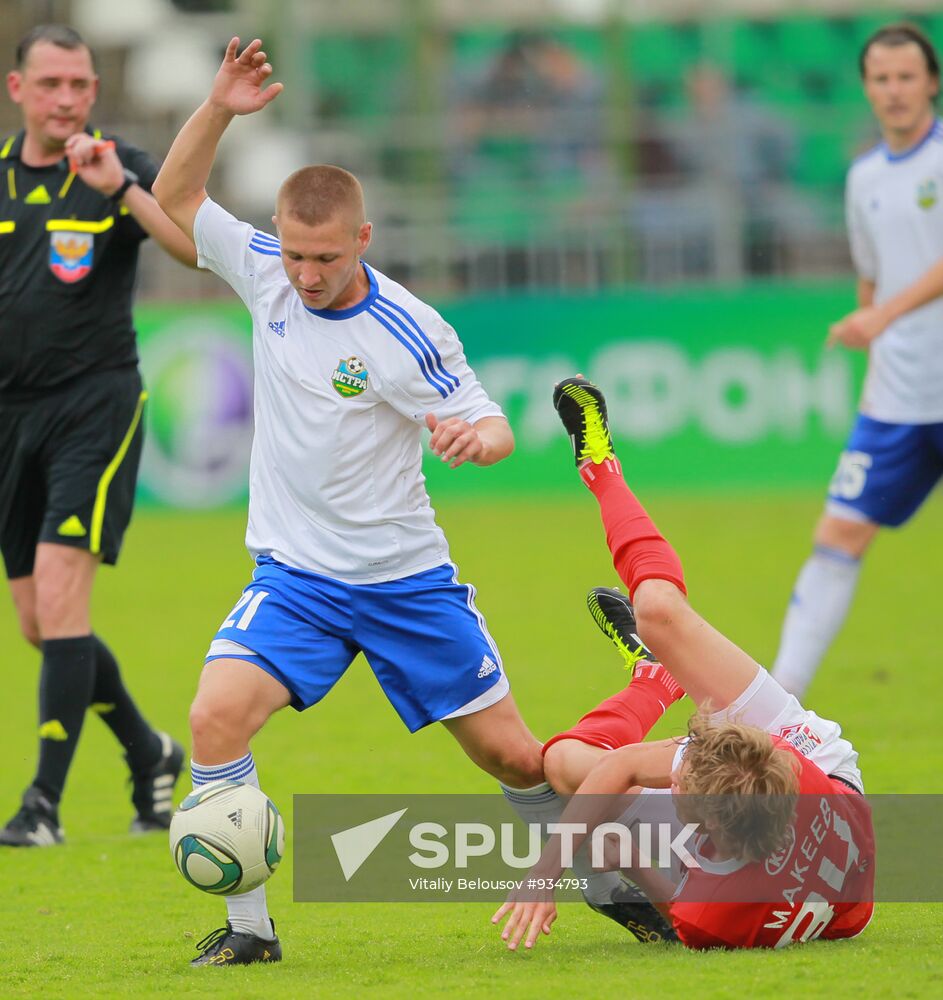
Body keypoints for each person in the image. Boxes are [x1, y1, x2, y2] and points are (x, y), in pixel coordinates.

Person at [151, 37, 546, 966]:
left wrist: (470, 441)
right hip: (296, 579)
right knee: (213, 717)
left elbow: (492, 425)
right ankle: (251, 933)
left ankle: (617, 885)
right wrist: (216, 108)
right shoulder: (261, 272)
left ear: (362, 240)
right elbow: (175, 201)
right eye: (293, 254)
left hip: (404, 579)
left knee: (514, 760)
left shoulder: (406, 329)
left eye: (324, 257)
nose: (305, 274)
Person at [492, 376, 874, 951]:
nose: (676, 787)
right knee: (659, 611)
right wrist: (549, 873)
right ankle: (600, 466)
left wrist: (629, 859)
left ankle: (652, 679)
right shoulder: (794, 770)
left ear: (713, 834)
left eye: (684, 795)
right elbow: (636, 772)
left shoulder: (709, 918)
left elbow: (674, 911)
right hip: (833, 781)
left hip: (776, 835)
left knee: (567, 763)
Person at [0, 25, 198, 847]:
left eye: (80, 84)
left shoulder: (122, 166)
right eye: (51, 84)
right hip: (11, 422)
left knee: (60, 596)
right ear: (19, 91)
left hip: (96, 406)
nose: (68, 99)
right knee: (42, 625)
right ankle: (150, 751)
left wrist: (122, 189)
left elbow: (191, 251)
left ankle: (42, 806)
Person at [773, 23, 943, 698]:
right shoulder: (863, 177)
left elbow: (903, 288)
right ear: (866, 89)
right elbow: (870, 278)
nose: (894, 91)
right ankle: (777, 707)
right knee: (838, 532)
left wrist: (882, 314)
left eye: (906, 77)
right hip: (898, 399)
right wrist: (872, 341)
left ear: (929, 81)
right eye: (880, 79)